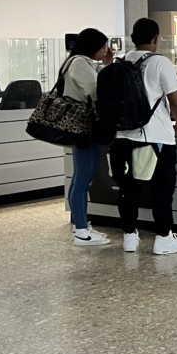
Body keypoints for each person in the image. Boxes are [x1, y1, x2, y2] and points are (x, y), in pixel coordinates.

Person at [109, 18, 177, 256]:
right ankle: (164, 237)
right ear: (156, 39)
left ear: (133, 38)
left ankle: (129, 237)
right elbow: (176, 101)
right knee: (162, 190)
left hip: (122, 137)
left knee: (128, 189)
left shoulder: (121, 62)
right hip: (155, 137)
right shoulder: (159, 63)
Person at [62, 28, 113, 247]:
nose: (105, 50)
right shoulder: (80, 63)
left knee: (81, 176)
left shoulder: (73, 61)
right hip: (83, 125)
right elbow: (95, 91)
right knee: (84, 176)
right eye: (103, 46)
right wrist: (109, 69)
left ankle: (81, 226)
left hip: (79, 126)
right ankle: (81, 230)